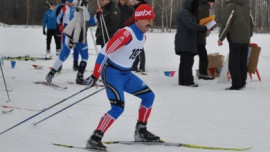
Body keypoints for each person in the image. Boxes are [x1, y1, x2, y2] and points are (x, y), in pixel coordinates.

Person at [84, 4, 160, 151]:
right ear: (138, 19)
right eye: (147, 19)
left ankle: (141, 131)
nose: (150, 23)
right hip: (112, 73)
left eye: (152, 19)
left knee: (149, 96)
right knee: (118, 107)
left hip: (126, 74)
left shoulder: (143, 36)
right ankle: (95, 138)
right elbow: (104, 53)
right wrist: (95, 75)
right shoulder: (126, 34)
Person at [46, 0, 96, 84]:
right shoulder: (80, 9)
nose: (69, 3)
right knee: (84, 57)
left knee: (64, 55)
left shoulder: (72, 9)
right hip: (79, 36)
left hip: (70, 34)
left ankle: (51, 73)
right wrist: (97, 16)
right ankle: (79, 76)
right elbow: (91, 22)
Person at [218, 0, 254, 90]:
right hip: (245, 39)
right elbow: (252, 22)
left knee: (234, 63)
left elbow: (226, 22)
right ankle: (242, 82)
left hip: (235, 38)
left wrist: (221, 38)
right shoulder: (247, 5)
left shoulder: (231, 6)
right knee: (242, 61)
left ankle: (236, 85)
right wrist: (249, 34)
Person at [174, 0, 211, 87]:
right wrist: (204, 29)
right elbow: (191, 25)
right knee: (188, 62)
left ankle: (182, 81)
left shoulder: (187, 14)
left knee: (184, 62)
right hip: (185, 42)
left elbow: (193, 25)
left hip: (186, 42)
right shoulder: (184, 14)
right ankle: (188, 81)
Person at [125, 0, 147, 73]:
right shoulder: (139, 7)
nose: (131, 2)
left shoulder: (140, 8)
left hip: (139, 29)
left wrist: (127, 23)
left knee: (140, 49)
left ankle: (141, 67)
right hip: (139, 29)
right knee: (137, 48)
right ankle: (136, 65)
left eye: (132, 0)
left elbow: (133, 18)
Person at [197, 0, 215, 80]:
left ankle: (201, 72)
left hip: (198, 34)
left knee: (202, 54)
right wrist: (209, 26)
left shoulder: (200, 6)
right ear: (209, 2)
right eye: (212, 2)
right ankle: (203, 73)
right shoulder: (204, 8)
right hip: (199, 35)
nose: (212, 4)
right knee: (203, 56)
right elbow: (202, 22)